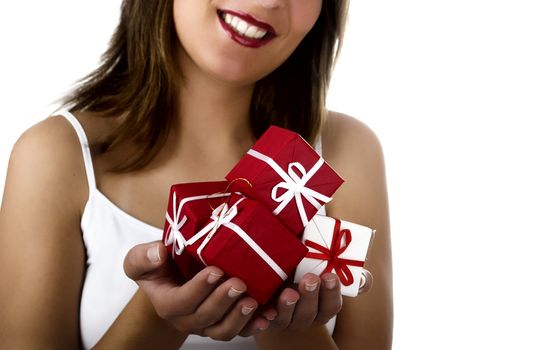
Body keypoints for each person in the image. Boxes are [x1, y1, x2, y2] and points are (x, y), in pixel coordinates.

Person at [0, 0, 393, 348]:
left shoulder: (347, 151)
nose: (269, 1)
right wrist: (158, 317)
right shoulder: (55, 155)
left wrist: (285, 317)